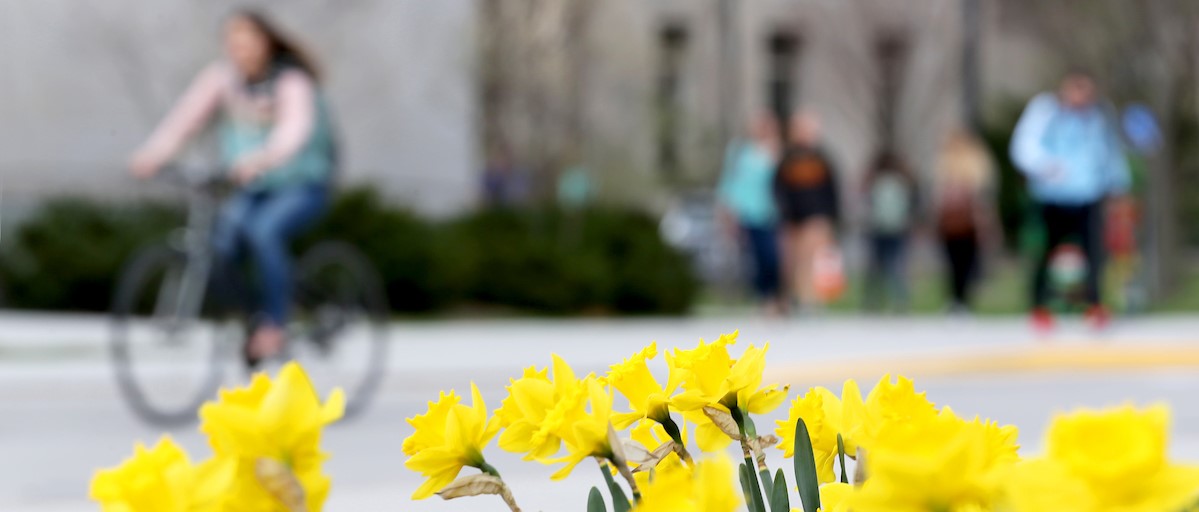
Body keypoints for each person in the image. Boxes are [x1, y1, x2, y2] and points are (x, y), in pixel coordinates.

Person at [129, 10, 337, 362]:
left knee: (263, 231)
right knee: (222, 242)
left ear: (266, 42)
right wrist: (153, 154)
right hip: (253, 186)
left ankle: (275, 323)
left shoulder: (291, 81)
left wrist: (261, 158)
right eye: (233, 42)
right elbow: (185, 119)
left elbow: (294, 131)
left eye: (248, 40)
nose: (240, 49)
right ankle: (252, 317)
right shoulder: (223, 79)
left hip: (301, 183)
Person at [1010, 71, 1130, 332]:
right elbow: (1023, 146)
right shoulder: (1046, 112)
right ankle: (1040, 306)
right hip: (1052, 195)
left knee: (1094, 252)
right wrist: (1047, 167)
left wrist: (1118, 184)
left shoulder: (1099, 116)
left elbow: (1109, 151)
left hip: (1088, 193)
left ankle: (1094, 305)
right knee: (1046, 252)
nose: (1081, 98)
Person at [774, 111, 842, 311]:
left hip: (817, 217)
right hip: (793, 219)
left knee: (815, 260)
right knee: (795, 262)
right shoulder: (788, 159)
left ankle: (811, 300)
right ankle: (796, 298)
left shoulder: (822, 159)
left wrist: (832, 216)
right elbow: (779, 189)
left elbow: (832, 190)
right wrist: (783, 211)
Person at [717, 112, 783, 314]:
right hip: (746, 213)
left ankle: (776, 296)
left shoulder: (776, 152)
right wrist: (725, 208)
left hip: (773, 213)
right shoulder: (739, 152)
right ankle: (763, 298)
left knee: (773, 257)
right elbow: (729, 181)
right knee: (755, 257)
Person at [934, 130, 1000, 313]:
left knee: (960, 262)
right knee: (961, 262)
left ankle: (960, 299)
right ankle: (959, 300)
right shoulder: (951, 161)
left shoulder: (970, 163)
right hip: (956, 221)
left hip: (964, 220)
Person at [861, 150, 919, 313]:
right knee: (897, 267)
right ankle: (900, 302)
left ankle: (872, 302)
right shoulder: (903, 181)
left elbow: (866, 205)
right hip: (897, 230)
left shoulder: (874, 182)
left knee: (876, 268)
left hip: (880, 229)